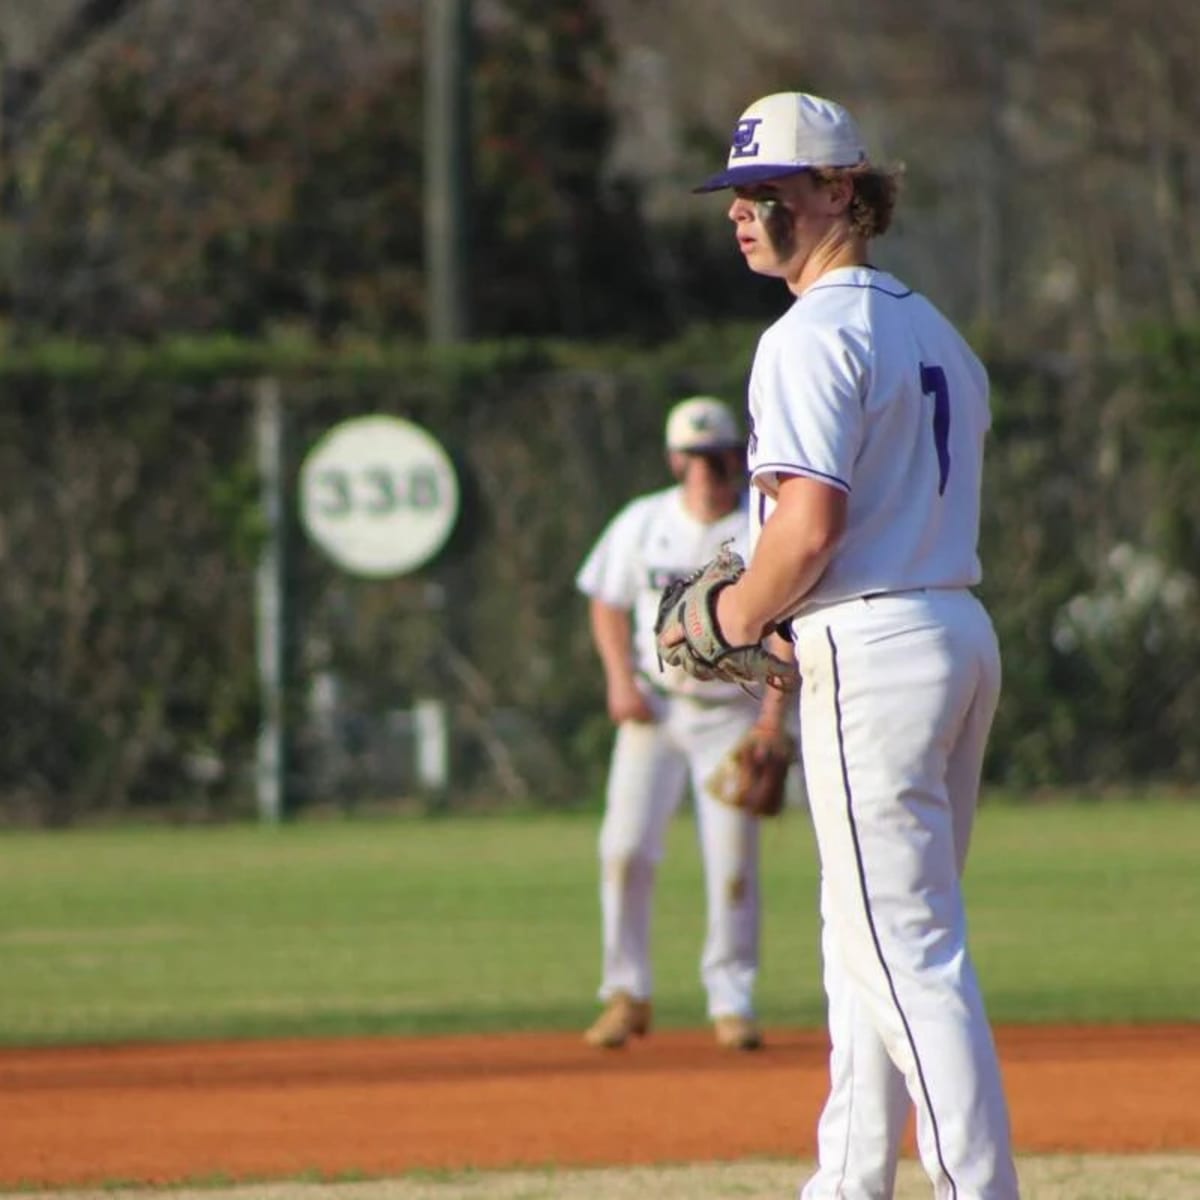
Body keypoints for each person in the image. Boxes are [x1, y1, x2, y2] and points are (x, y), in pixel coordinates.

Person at [687, 93, 1021, 1197]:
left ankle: (980, 1188)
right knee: (864, 938)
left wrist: (733, 621)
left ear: (842, 191)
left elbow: (811, 527)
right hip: (953, 631)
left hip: (873, 646)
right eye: (738, 196)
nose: (745, 213)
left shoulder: (807, 336)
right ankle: (848, 1179)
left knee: (908, 955)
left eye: (768, 192)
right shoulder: (936, 330)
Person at [575, 396, 792, 1052]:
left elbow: (786, 627)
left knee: (732, 863)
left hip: (732, 716)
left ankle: (732, 1000)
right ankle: (625, 993)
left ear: (739, 455)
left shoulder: (759, 527)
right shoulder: (643, 522)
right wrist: (618, 679)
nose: (706, 468)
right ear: (675, 460)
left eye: (718, 454)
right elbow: (607, 603)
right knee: (623, 851)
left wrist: (773, 721)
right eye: (693, 456)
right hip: (654, 712)